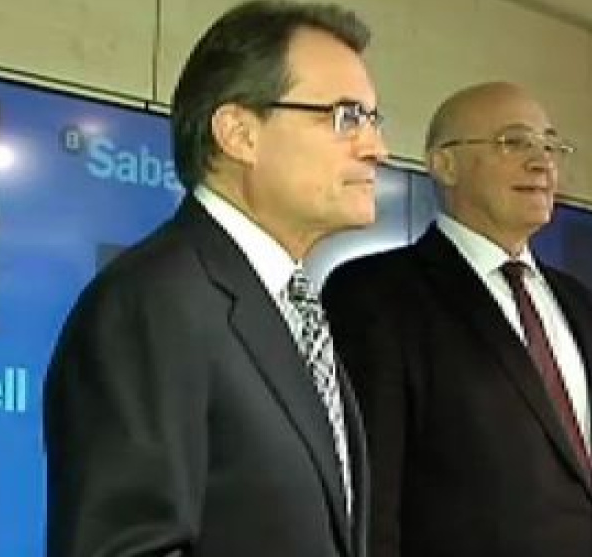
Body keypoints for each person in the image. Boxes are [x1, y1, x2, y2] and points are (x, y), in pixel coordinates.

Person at [43, 1, 387, 556]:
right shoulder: (151, 303)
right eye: (346, 117)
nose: (376, 148)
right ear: (238, 133)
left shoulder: (289, 305)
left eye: (373, 120)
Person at [322, 82, 592, 557]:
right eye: (514, 142)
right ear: (445, 164)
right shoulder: (376, 295)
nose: (542, 162)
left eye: (550, 146)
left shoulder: (588, 308)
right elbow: (371, 504)